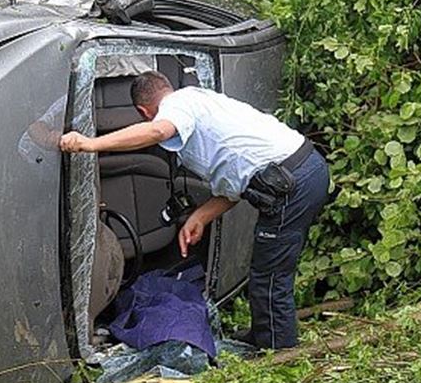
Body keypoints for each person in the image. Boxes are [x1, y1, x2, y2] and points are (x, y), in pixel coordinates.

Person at [59, 70, 329, 349]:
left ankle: (279, 353)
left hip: (292, 182)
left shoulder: (177, 105)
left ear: (143, 111)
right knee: (267, 269)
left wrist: (90, 144)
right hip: (301, 172)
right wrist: (200, 216)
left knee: (270, 274)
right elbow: (234, 184)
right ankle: (264, 336)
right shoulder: (202, 104)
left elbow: (158, 131)